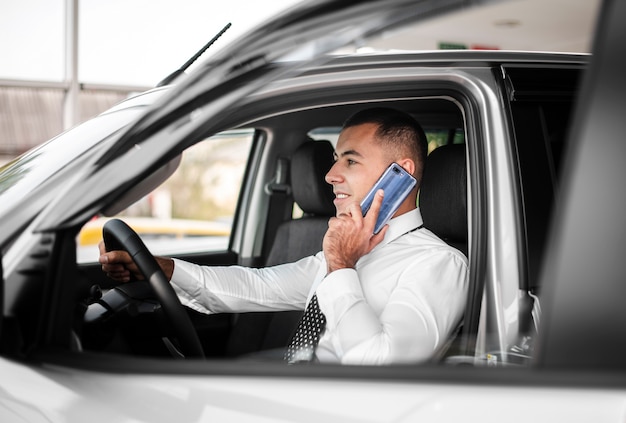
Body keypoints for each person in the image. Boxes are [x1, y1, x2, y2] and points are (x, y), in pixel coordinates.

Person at [99, 107, 468, 365]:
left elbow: (382, 367)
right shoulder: (348, 252)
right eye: (336, 158)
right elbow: (258, 287)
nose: (330, 175)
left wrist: (341, 268)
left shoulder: (439, 264)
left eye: (350, 161)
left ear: (400, 173)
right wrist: (162, 269)